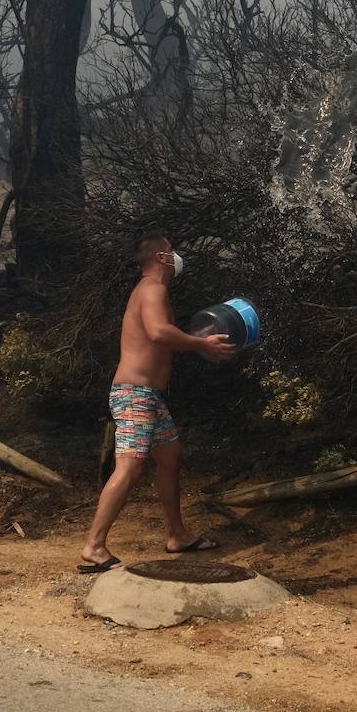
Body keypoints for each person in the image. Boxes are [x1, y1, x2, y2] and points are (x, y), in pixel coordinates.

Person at [78, 233, 235, 573]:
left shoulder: (150, 291)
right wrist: (202, 344)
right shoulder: (152, 290)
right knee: (131, 468)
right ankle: (94, 547)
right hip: (134, 394)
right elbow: (158, 332)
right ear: (162, 257)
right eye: (172, 250)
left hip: (149, 397)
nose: (177, 256)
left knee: (170, 456)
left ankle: (177, 535)